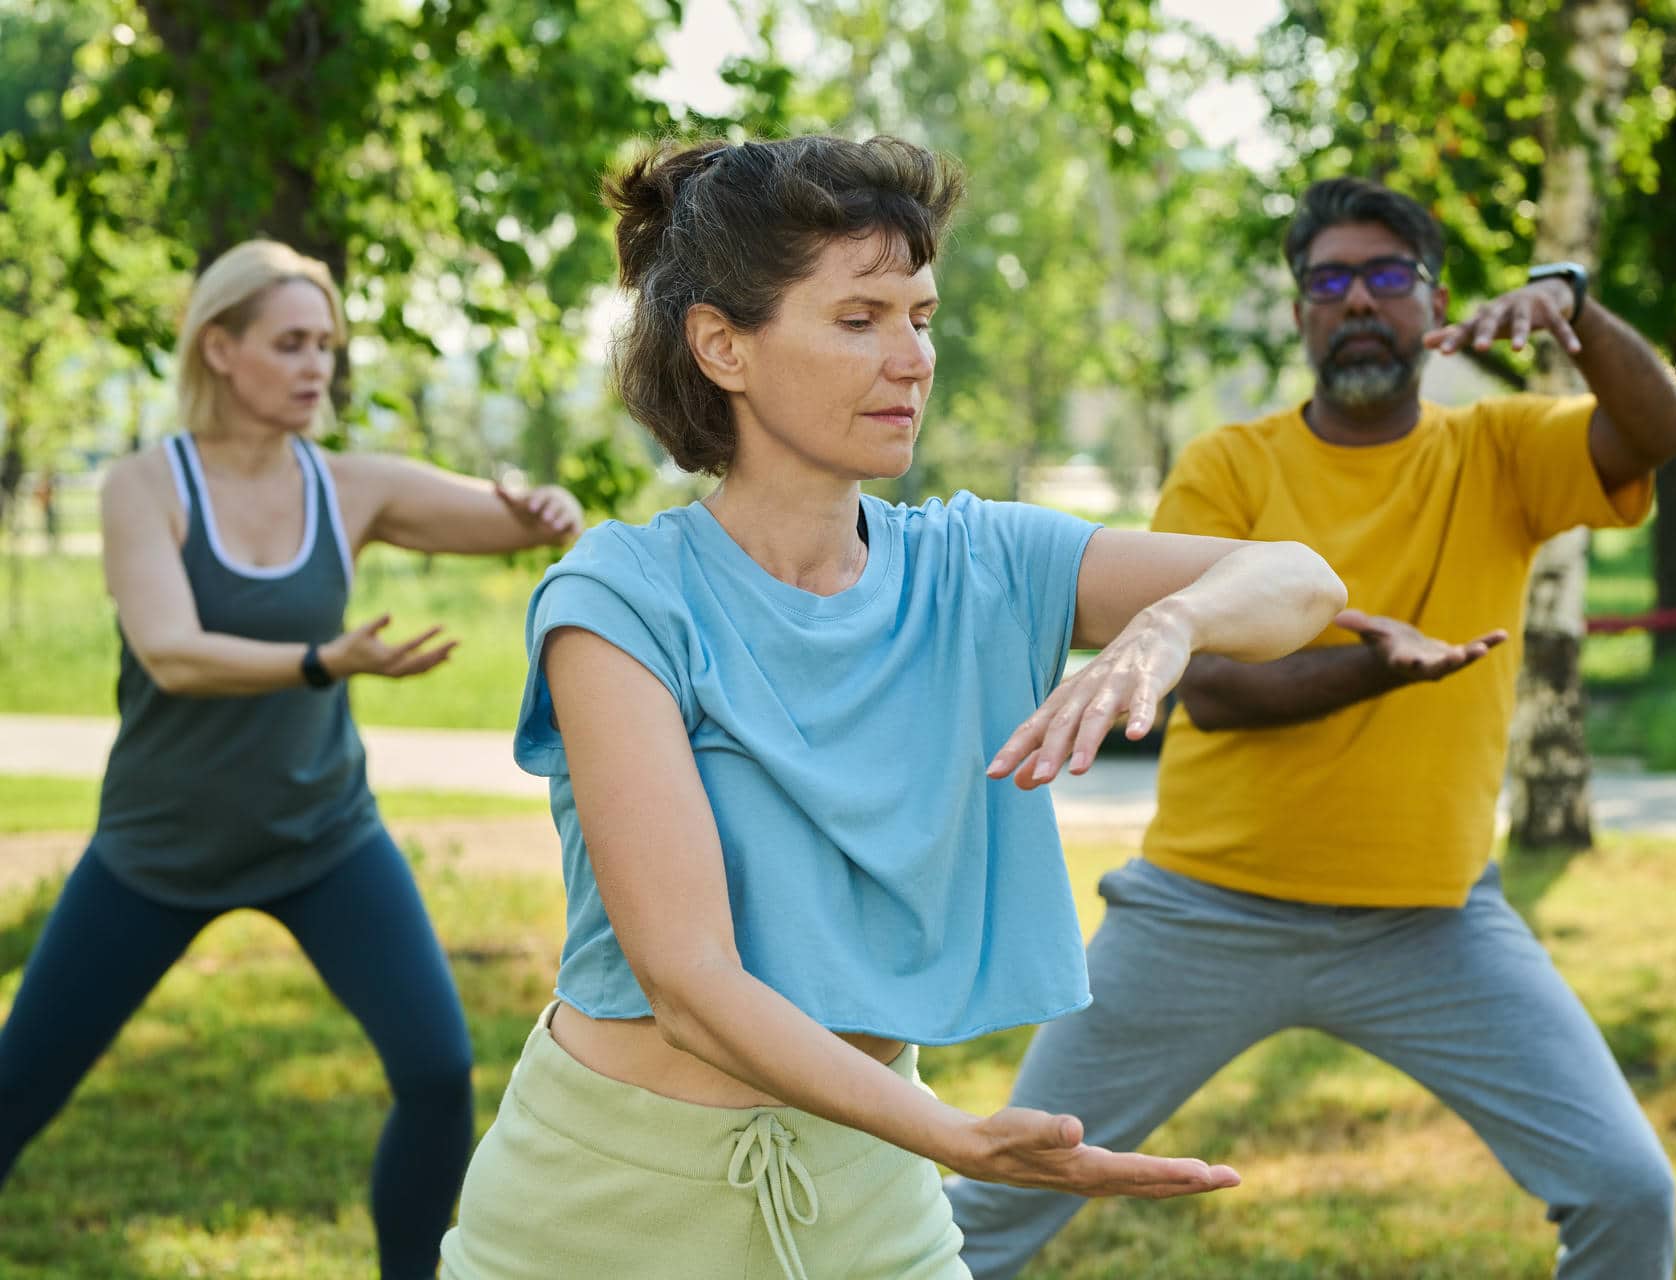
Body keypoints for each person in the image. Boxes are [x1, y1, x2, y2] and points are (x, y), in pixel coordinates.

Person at [436, 134, 1347, 1280]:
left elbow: (1306, 580)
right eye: (860, 318)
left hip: (868, 1203)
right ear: (723, 344)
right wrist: (955, 1139)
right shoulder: (619, 599)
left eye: (920, 316)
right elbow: (689, 980)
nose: (911, 357)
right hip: (606, 1209)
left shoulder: (984, 560)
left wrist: (1175, 620)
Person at [946, 177, 1676, 1278]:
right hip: (1204, 916)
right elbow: (1213, 688)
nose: (1357, 301)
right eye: (1328, 280)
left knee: (1630, 1190)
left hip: (1432, 923)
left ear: (1433, 302)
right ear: (1299, 311)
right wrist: (1373, 670)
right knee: (999, 1197)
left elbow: (1658, 428)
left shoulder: (1498, 452)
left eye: (1387, 276)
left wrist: (1573, 311)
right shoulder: (1230, 467)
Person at [0, 239, 584, 1279]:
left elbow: (514, 524)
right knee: (16, 1092)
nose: (317, 365)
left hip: (324, 839)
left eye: (327, 343)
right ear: (219, 349)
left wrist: (547, 509)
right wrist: (326, 659)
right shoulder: (144, 485)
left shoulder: (349, 485)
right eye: (290, 342)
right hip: (157, 851)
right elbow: (171, 652)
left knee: (439, 1067)